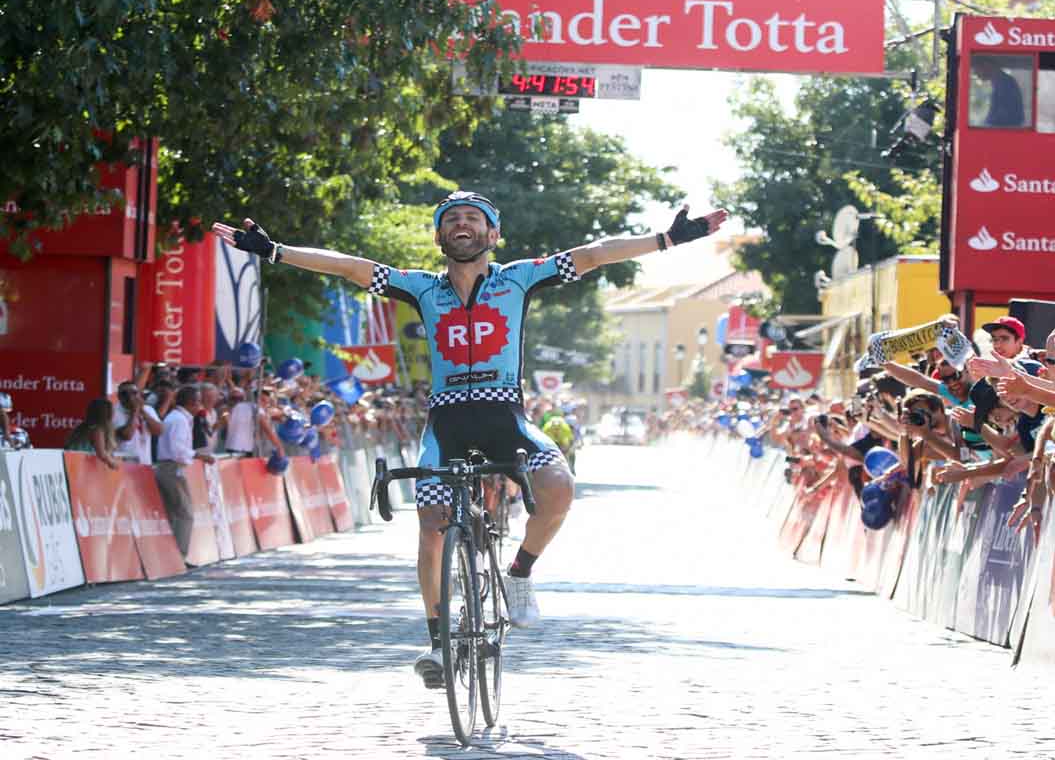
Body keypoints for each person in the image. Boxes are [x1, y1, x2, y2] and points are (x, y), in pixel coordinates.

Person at [214, 190, 726, 688]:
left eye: (473, 217)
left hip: (506, 418)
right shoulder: (420, 288)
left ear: (493, 233)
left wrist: (665, 240)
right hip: (447, 424)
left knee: (559, 487)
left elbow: (592, 256)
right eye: (451, 218)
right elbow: (351, 267)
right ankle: (437, 642)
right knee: (431, 526)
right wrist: (275, 252)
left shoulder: (519, 279)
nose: (462, 224)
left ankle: (520, 571)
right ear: (439, 237)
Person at [155, 385, 217, 559]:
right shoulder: (179, 420)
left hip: (170, 467)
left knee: (174, 513)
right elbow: (177, 450)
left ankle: (172, 556)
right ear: (193, 402)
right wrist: (200, 456)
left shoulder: (178, 418)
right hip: (172, 468)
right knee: (185, 514)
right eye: (199, 402)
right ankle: (179, 556)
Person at [113, 381, 164, 464]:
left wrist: (143, 411)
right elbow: (127, 435)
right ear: (119, 396)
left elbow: (159, 431)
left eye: (134, 393)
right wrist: (135, 410)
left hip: (144, 462)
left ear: (139, 394)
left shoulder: (148, 409)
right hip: (124, 463)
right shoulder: (113, 412)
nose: (130, 396)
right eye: (124, 393)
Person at [64, 398, 120, 470]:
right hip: (76, 464)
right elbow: (101, 453)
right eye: (112, 411)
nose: (114, 414)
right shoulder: (97, 429)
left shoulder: (85, 427)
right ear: (107, 413)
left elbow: (107, 450)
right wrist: (113, 463)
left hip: (72, 463)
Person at [972, 55, 1026, 128]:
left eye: (976, 68)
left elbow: (1004, 114)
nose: (975, 73)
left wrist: (986, 126)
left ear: (986, 65)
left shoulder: (1005, 83)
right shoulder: (1000, 82)